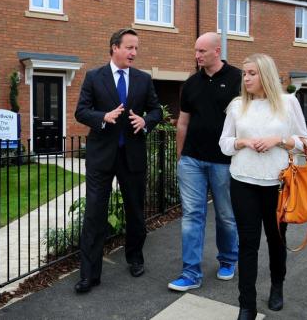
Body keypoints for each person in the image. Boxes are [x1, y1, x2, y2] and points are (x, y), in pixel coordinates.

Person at [218, 53, 307, 320]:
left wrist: (278, 140)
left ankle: (277, 286)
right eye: (244, 73)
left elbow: (306, 142)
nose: (245, 78)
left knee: (276, 238)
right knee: (247, 243)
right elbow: (224, 144)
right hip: (242, 181)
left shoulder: (287, 102)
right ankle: (246, 304)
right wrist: (243, 142)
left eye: (252, 73)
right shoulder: (237, 106)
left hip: (278, 184)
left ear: (265, 75)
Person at [74, 28, 162, 293]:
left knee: (135, 212)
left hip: (132, 157)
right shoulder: (93, 77)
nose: (134, 53)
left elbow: (157, 110)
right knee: (94, 214)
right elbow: (81, 111)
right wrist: (103, 117)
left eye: (136, 48)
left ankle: (135, 258)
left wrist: (146, 120)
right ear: (114, 47)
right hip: (102, 158)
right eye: (129, 47)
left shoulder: (143, 79)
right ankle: (89, 274)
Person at [168, 32, 240, 292]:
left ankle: (228, 259)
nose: (197, 55)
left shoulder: (238, 79)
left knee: (226, 216)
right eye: (195, 51)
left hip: (224, 162)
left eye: (202, 51)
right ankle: (190, 274)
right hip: (192, 162)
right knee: (192, 216)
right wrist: (181, 157)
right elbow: (183, 123)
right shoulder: (190, 84)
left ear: (216, 50)